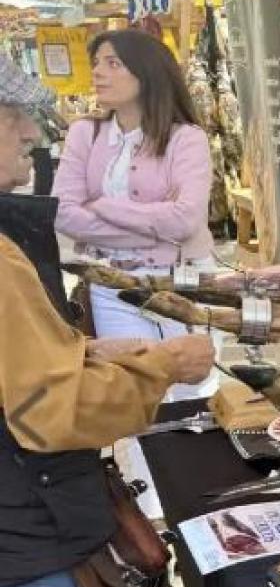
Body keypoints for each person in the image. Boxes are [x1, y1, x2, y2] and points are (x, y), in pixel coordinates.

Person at [0, 54, 215, 587]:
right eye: (14, 116)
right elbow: (52, 412)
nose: (31, 132)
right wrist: (160, 370)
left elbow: (25, 369)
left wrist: (93, 350)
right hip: (15, 550)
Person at [52, 28, 216, 401]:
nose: (98, 72)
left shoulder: (186, 139)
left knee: (194, 394)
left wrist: (104, 208)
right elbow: (62, 213)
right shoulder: (84, 134)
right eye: (96, 63)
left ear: (147, 72)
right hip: (113, 285)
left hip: (185, 282)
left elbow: (187, 220)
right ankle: (140, 463)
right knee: (131, 392)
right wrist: (156, 227)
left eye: (113, 63)